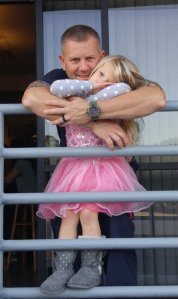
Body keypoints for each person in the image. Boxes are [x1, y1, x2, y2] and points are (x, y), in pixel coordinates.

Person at [22, 25, 166, 294]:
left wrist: (91, 111)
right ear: (62, 61)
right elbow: (32, 97)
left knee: (119, 255)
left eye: (90, 59)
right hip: (74, 180)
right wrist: (93, 123)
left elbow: (155, 98)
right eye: (75, 60)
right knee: (68, 257)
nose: (84, 67)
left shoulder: (114, 75)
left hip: (113, 180)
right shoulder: (58, 78)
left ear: (102, 55)